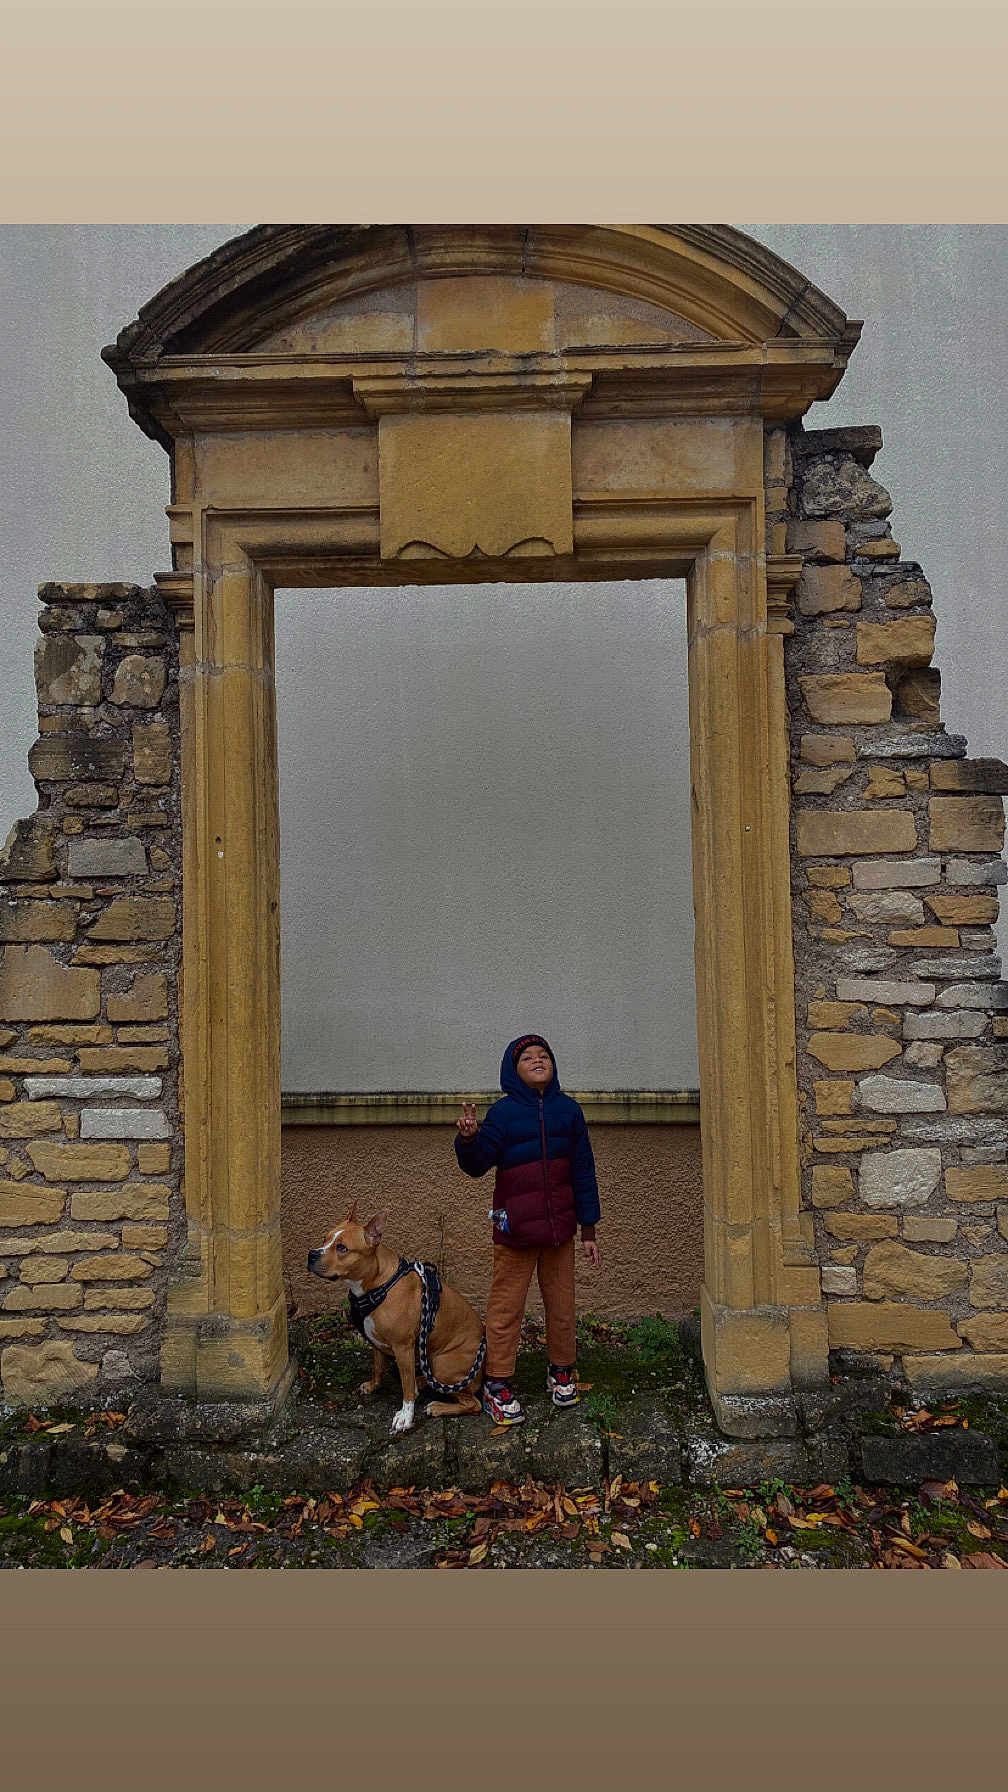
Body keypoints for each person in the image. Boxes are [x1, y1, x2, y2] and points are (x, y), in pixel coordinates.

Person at [454, 1032, 601, 1425]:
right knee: (505, 1310)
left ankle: (562, 1369)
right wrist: (468, 1139)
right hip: (514, 1233)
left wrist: (588, 1231)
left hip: (559, 1234)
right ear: (513, 1072)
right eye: (527, 1058)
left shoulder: (569, 1112)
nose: (538, 1060)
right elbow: (477, 1165)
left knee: (562, 1307)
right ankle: (497, 1382)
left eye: (544, 1055)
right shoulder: (502, 1114)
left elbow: (584, 1171)